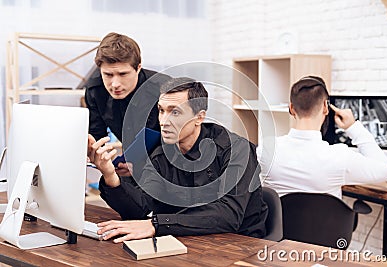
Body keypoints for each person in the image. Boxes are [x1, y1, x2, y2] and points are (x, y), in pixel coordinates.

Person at [88, 77, 268, 242]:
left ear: (199, 117)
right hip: (187, 238)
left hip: (241, 242)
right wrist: (110, 175)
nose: (163, 121)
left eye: (174, 112)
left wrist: (157, 224)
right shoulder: (161, 152)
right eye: (161, 111)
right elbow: (141, 206)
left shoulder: (237, 149)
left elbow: (229, 214)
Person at [257, 76, 387, 199]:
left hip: (280, 226)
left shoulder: (266, 149)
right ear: (325, 108)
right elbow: (384, 170)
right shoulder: (340, 156)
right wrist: (353, 127)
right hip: (328, 226)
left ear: (291, 108)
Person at [85, 32, 167, 176]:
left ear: (138, 67)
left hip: (169, 166)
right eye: (108, 75)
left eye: (123, 74)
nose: (115, 84)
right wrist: (106, 162)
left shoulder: (164, 89)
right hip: (128, 163)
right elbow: (97, 135)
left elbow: (182, 141)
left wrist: (146, 165)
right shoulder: (94, 90)